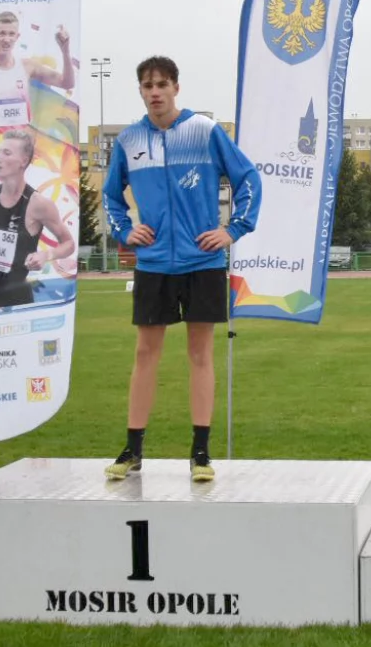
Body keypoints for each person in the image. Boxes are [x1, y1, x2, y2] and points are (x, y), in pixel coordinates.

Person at [102, 56, 262, 482]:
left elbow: (247, 178)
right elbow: (110, 196)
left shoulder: (205, 131)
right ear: (140, 91)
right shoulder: (130, 140)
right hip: (155, 262)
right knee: (145, 353)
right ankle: (133, 449)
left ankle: (201, 453)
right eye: (147, 85)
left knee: (199, 354)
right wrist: (124, 230)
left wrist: (234, 229)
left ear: (176, 87)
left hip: (203, 259)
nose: (155, 92)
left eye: (161, 84)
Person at [0, 129, 76, 307]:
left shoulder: (39, 204)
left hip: (20, 299)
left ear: (23, 161)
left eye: (7, 153)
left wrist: (46, 254)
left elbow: (68, 244)